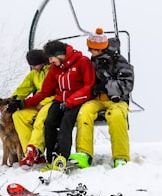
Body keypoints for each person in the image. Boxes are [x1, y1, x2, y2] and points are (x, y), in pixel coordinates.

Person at [24, 39, 95, 168]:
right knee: (49, 122)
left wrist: (70, 102)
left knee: (66, 121)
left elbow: (88, 86)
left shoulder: (82, 61)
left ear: (60, 54)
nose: (50, 62)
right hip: (60, 100)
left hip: (78, 99)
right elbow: (45, 91)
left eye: (52, 58)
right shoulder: (55, 69)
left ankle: (63, 155)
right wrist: (24, 103)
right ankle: (51, 157)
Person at [71, 28, 135, 168]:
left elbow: (127, 84)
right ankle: (84, 153)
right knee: (84, 112)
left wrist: (105, 86)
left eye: (92, 49)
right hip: (97, 100)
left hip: (116, 100)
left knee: (116, 116)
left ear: (101, 48)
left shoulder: (119, 62)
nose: (90, 51)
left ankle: (121, 157)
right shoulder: (92, 62)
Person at [3, 49, 54, 167]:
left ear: (43, 61)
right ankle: (30, 154)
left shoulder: (53, 71)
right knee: (18, 115)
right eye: (32, 66)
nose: (34, 67)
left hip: (52, 103)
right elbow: (23, 89)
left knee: (41, 118)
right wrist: (12, 101)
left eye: (36, 65)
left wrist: (45, 102)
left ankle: (36, 149)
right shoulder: (33, 75)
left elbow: (59, 91)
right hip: (37, 103)